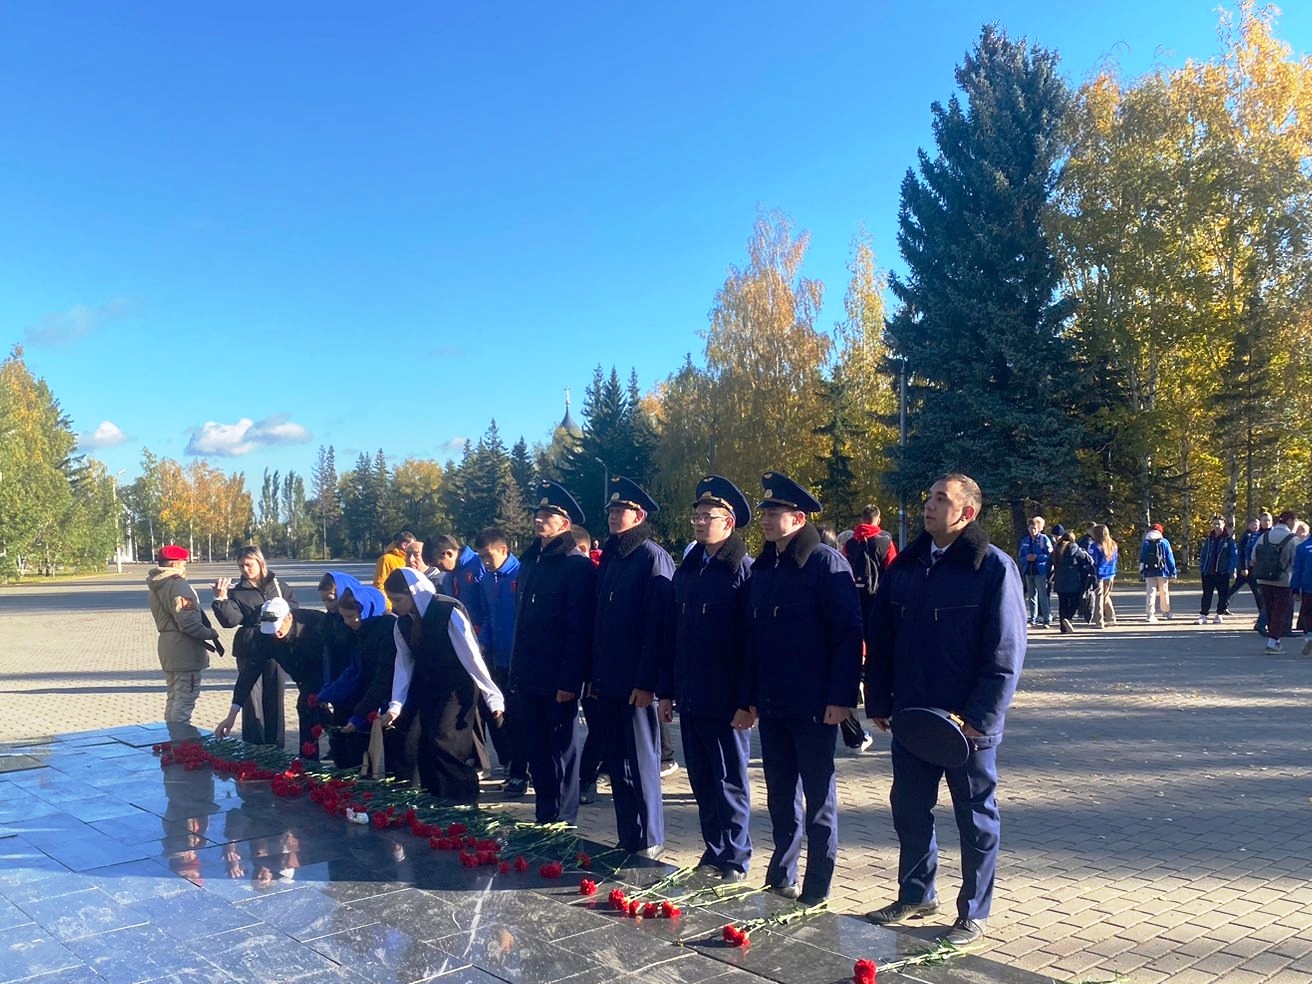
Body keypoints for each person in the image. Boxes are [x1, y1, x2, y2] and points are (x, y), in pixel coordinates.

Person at [865, 473, 1026, 946]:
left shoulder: (992, 568)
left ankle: (973, 910)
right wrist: (879, 700)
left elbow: (1005, 651)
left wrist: (982, 718)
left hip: (966, 725)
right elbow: (882, 640)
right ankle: (917, 894)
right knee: (909, 809)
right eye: (929, 496)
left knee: (975, 818)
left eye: (941, 499)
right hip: (912, 718)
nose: (929, 506)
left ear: (966, 513)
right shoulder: (908, 567)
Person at [741, 472, 863, 906]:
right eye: (765, 514)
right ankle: (782, 872)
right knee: (779, 794)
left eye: (774, 514)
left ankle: (818, 882)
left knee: (818, 798)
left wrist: (840, 699)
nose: (766, 521)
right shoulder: (765, 567)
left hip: (814, 704)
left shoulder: (826, 563)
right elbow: (752, 639)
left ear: (798, 518)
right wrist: (750, 696)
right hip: (773, 703)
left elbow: (847, 635)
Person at [659, 475, 754, 881]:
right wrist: (667, 691)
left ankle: (735, 855)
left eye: (707, 516)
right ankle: (713, 849)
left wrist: (747, 701)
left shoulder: (742, 571)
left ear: (728, 523)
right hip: (692, 693)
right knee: (701, 777)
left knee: (729, 779)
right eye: (696, 516)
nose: (698, 523)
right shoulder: (690, 569)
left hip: (727, 697)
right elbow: (673, 635)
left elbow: (752, 643)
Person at [590, 477, 674, 858]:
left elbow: (657, 626)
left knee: (641, 762)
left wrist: (647, 682)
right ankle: (629, 834)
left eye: (619, 510)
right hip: (608, 679)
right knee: (617, 763)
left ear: (638, 515)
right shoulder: (613, 555)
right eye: (609, 509)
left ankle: (651, 838)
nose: (612, 515)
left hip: (635, 682)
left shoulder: (651, 557)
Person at [509, 480, 596, 825]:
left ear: (565, 524)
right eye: (538, 513)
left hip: (557, 677)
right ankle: (544, 816)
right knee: (538, 751)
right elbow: (522, 622)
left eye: (548, 515)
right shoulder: (531, 562)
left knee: (561, 751)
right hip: (529, 674)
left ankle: (563, 819)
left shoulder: (576, 566)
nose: (539, 519)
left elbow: (578, 630)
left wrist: (569, 679)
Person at [381, 568, 504, 803]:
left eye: (398, 600)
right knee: (427, 741)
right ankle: (436, 801)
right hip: (430, 688)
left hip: (457, 688)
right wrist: (396, 705)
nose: (395, 607)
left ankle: (463, 800)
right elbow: (404, 665)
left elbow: (472, 657)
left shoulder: (448, 612)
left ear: (413, 592)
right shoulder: (403, 624)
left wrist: (492, 696)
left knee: (446, 740)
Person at [214, 598, 326, 758]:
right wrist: (232, 715)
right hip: (303, 676)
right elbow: (249, 673)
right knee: (313, 710)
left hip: (328, 671)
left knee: (311, 707)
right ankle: (312, 761)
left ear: (288, 617)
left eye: (278, 627)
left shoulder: (315, 624)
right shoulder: (265, 637)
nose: (276, 634)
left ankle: (318, 760)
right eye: (271, 630)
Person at [210, 546, 297, 746]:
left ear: (260, 562)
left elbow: (295, 611)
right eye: (241, 566)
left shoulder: (278, 585)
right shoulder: (237, 591)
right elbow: (231, 621)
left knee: (275, 697)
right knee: (251, 699)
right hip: (250, 646)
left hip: (277, 645)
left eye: (249, 564)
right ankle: (254, 747)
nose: (245, 569)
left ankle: (276, 746)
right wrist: (221, 599)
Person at [147, 545, 224, 739]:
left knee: (174, 697)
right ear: (175, 563)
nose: (185, 567)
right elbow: (188, 621)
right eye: (183, 563)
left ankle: (172, 739)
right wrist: (209, 633)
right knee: (184, 700)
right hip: (184, 649)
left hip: (168, 646)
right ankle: (182, 746)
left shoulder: (157, 583)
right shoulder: (178, 584)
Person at [315, 585, 397, 769]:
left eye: (350, 617)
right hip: (379, 692)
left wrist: (358, 716)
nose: (347, 622)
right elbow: (355, 670)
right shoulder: (362, 631)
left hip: (398, 696)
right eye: (344, 617)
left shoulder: (387, 629)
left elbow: (384, 677)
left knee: (399, 753)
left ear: (367, 610)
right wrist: (325, 695)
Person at [842, 504, 897, 753]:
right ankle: (882, 699)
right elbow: (893, 572)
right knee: (881, 652)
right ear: (878, 518)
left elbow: (842, 570)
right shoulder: (884, 542)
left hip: (854, 601)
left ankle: (856, 685)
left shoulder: (850, 542)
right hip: (878, 603)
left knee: (855, 651)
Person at [473, 528, 524, 788]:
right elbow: (488, 617)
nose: (486, 562)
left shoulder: (522, 573)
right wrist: (483, 643)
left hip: (523, 660)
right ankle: (513, 767)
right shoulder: (487, 580)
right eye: (481, 557)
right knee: (501, 715)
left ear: (504, 550)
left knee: (523, 719)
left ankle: (524, 770)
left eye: (489, 556)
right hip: (500, 660)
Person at [1251, 510, 1301, 655]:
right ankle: (1273, 643)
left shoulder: (1264, 536)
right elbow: (1296, 562)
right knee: (1280, 612)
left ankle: (1274, 641)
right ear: (1290, 521)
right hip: (1283, 581)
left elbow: (1254, 556)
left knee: (1270, 610)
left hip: (1263, 580)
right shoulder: (1292, 539)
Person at [1050, 532, 1095, 633]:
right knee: (1075, 602)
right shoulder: (1075, 548)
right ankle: (1068, 618)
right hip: (1074, 580)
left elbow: (1049, 563)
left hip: (1060, 580)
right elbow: (1088, 560)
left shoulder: (1056, 549)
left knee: (1063, 603)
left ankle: (1063, 627)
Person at [1197, 516, 1238, 624]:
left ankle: (1219, 614)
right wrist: (1202, 567)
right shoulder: (1209, 539)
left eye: (1219, 524)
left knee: (1223, 594)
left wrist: (1230, 570)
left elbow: (1233, 556)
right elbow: (1204, 554)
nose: (1216, 526)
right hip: (1208, 572)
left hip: (1222, 572)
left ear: (1223, 525)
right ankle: (1203, 615)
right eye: (1214, 524)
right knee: (1206, 594)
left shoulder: (1228, 540)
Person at [1017, 516, 1053, 628]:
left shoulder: (1044, 540)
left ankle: (1046, 619)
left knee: (1043, 595)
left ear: (1039, 528)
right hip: (1028, 570)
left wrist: (1037, 557)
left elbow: (1049, 555)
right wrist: (1026, 558)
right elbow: (1021, 556)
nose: (1032, 531)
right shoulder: (1025, 541)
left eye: (1034, 528)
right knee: (1031, 596)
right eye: (1030, 528)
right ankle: (1033, 618)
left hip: (1040, 570)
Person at [1139, 524, 1177, 622]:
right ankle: (1166, 612)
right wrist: (1173, 571)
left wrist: (1141, 569)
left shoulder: (1146, 542)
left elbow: (1142, 557)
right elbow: (1169, 557)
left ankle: (1150, 614)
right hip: (1162, 570)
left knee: (1150, 592)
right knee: (1164, 592)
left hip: (1149, 570)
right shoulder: (1164, 542)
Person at [1228, 517, 1265, 615]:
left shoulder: (1257, 535)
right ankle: (1262, 613)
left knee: (1238, 588)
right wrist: (1243, 567)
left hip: (1251, 568)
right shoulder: (1246, 536)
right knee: (1256, 591)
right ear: (1248, 525)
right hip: (1246, 568)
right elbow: (1242, 553)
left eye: (1257, 524)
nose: (1255, 526)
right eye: (1253, 524)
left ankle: (1223, 604)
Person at [1087, 524, 1119, 628]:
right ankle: (1111, 617)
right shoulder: (1113, 544)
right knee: (1106, 596)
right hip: (1110, 573)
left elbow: (1092, 561)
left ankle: (1099, 621)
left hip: (1099, 573)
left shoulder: (1095, 546)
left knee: (1098, 598)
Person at [373, 531, 417, 597]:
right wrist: (389, 605)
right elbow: (379, 584)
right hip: (392, 605)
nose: (413, 547)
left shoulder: (410, 559)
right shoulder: (386, 559)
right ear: (404, 545)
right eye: (411, 545)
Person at [1291, 531, 1312, 657]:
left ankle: (1310, 635)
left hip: (1308, 586)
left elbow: (1297, 570)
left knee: (1308, 613)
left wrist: (1295, 589)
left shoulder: (1302, 547)